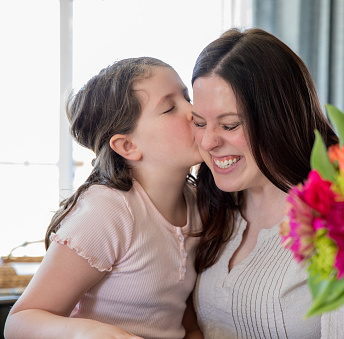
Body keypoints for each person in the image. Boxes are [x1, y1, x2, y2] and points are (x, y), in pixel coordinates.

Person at [4, 57, 203, 339]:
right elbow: (19, 323)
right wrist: (87, 332)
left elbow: (186, 320)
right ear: (127, 145)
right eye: (170, 107)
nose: (193, 111)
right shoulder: (108, 210)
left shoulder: (197, 204)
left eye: (187, 98)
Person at [190, 28, 344, 338]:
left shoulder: (340, 221)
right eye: (199, 122)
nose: (208, 142)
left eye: (229, 124)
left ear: (277, 119)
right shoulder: (212, 207)